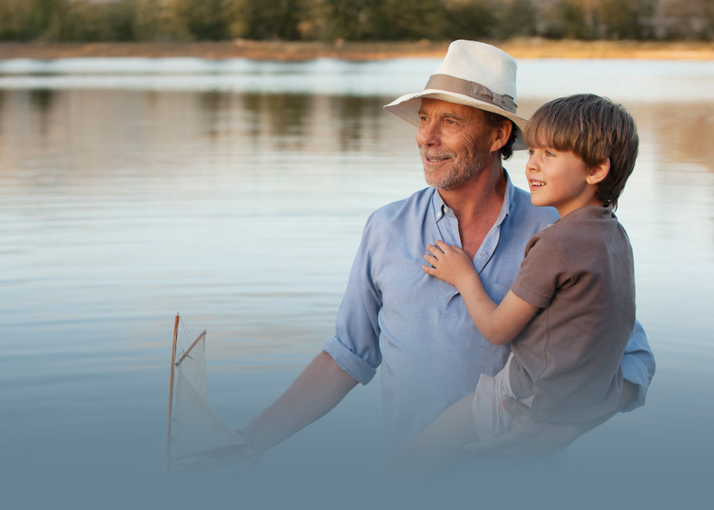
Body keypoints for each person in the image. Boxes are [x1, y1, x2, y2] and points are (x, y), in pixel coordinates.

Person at [237, 41, 655, 467]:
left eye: (449, 121)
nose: (425, 137)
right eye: (423, 119)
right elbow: (346, 357)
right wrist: (249, 441)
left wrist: (558, 430)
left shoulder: (562, 232)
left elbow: (633, 359)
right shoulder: (386, 229)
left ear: (499, 134)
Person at [392, 93, 640, 473]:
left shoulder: (555, 244)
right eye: (532, 153)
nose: (532, 166)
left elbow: (497, 328)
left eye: (550, 155)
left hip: (526, 398)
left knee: (408, 463)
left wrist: (464, 276)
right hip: (585, 398)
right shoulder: (614, 236)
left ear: (596, 170)